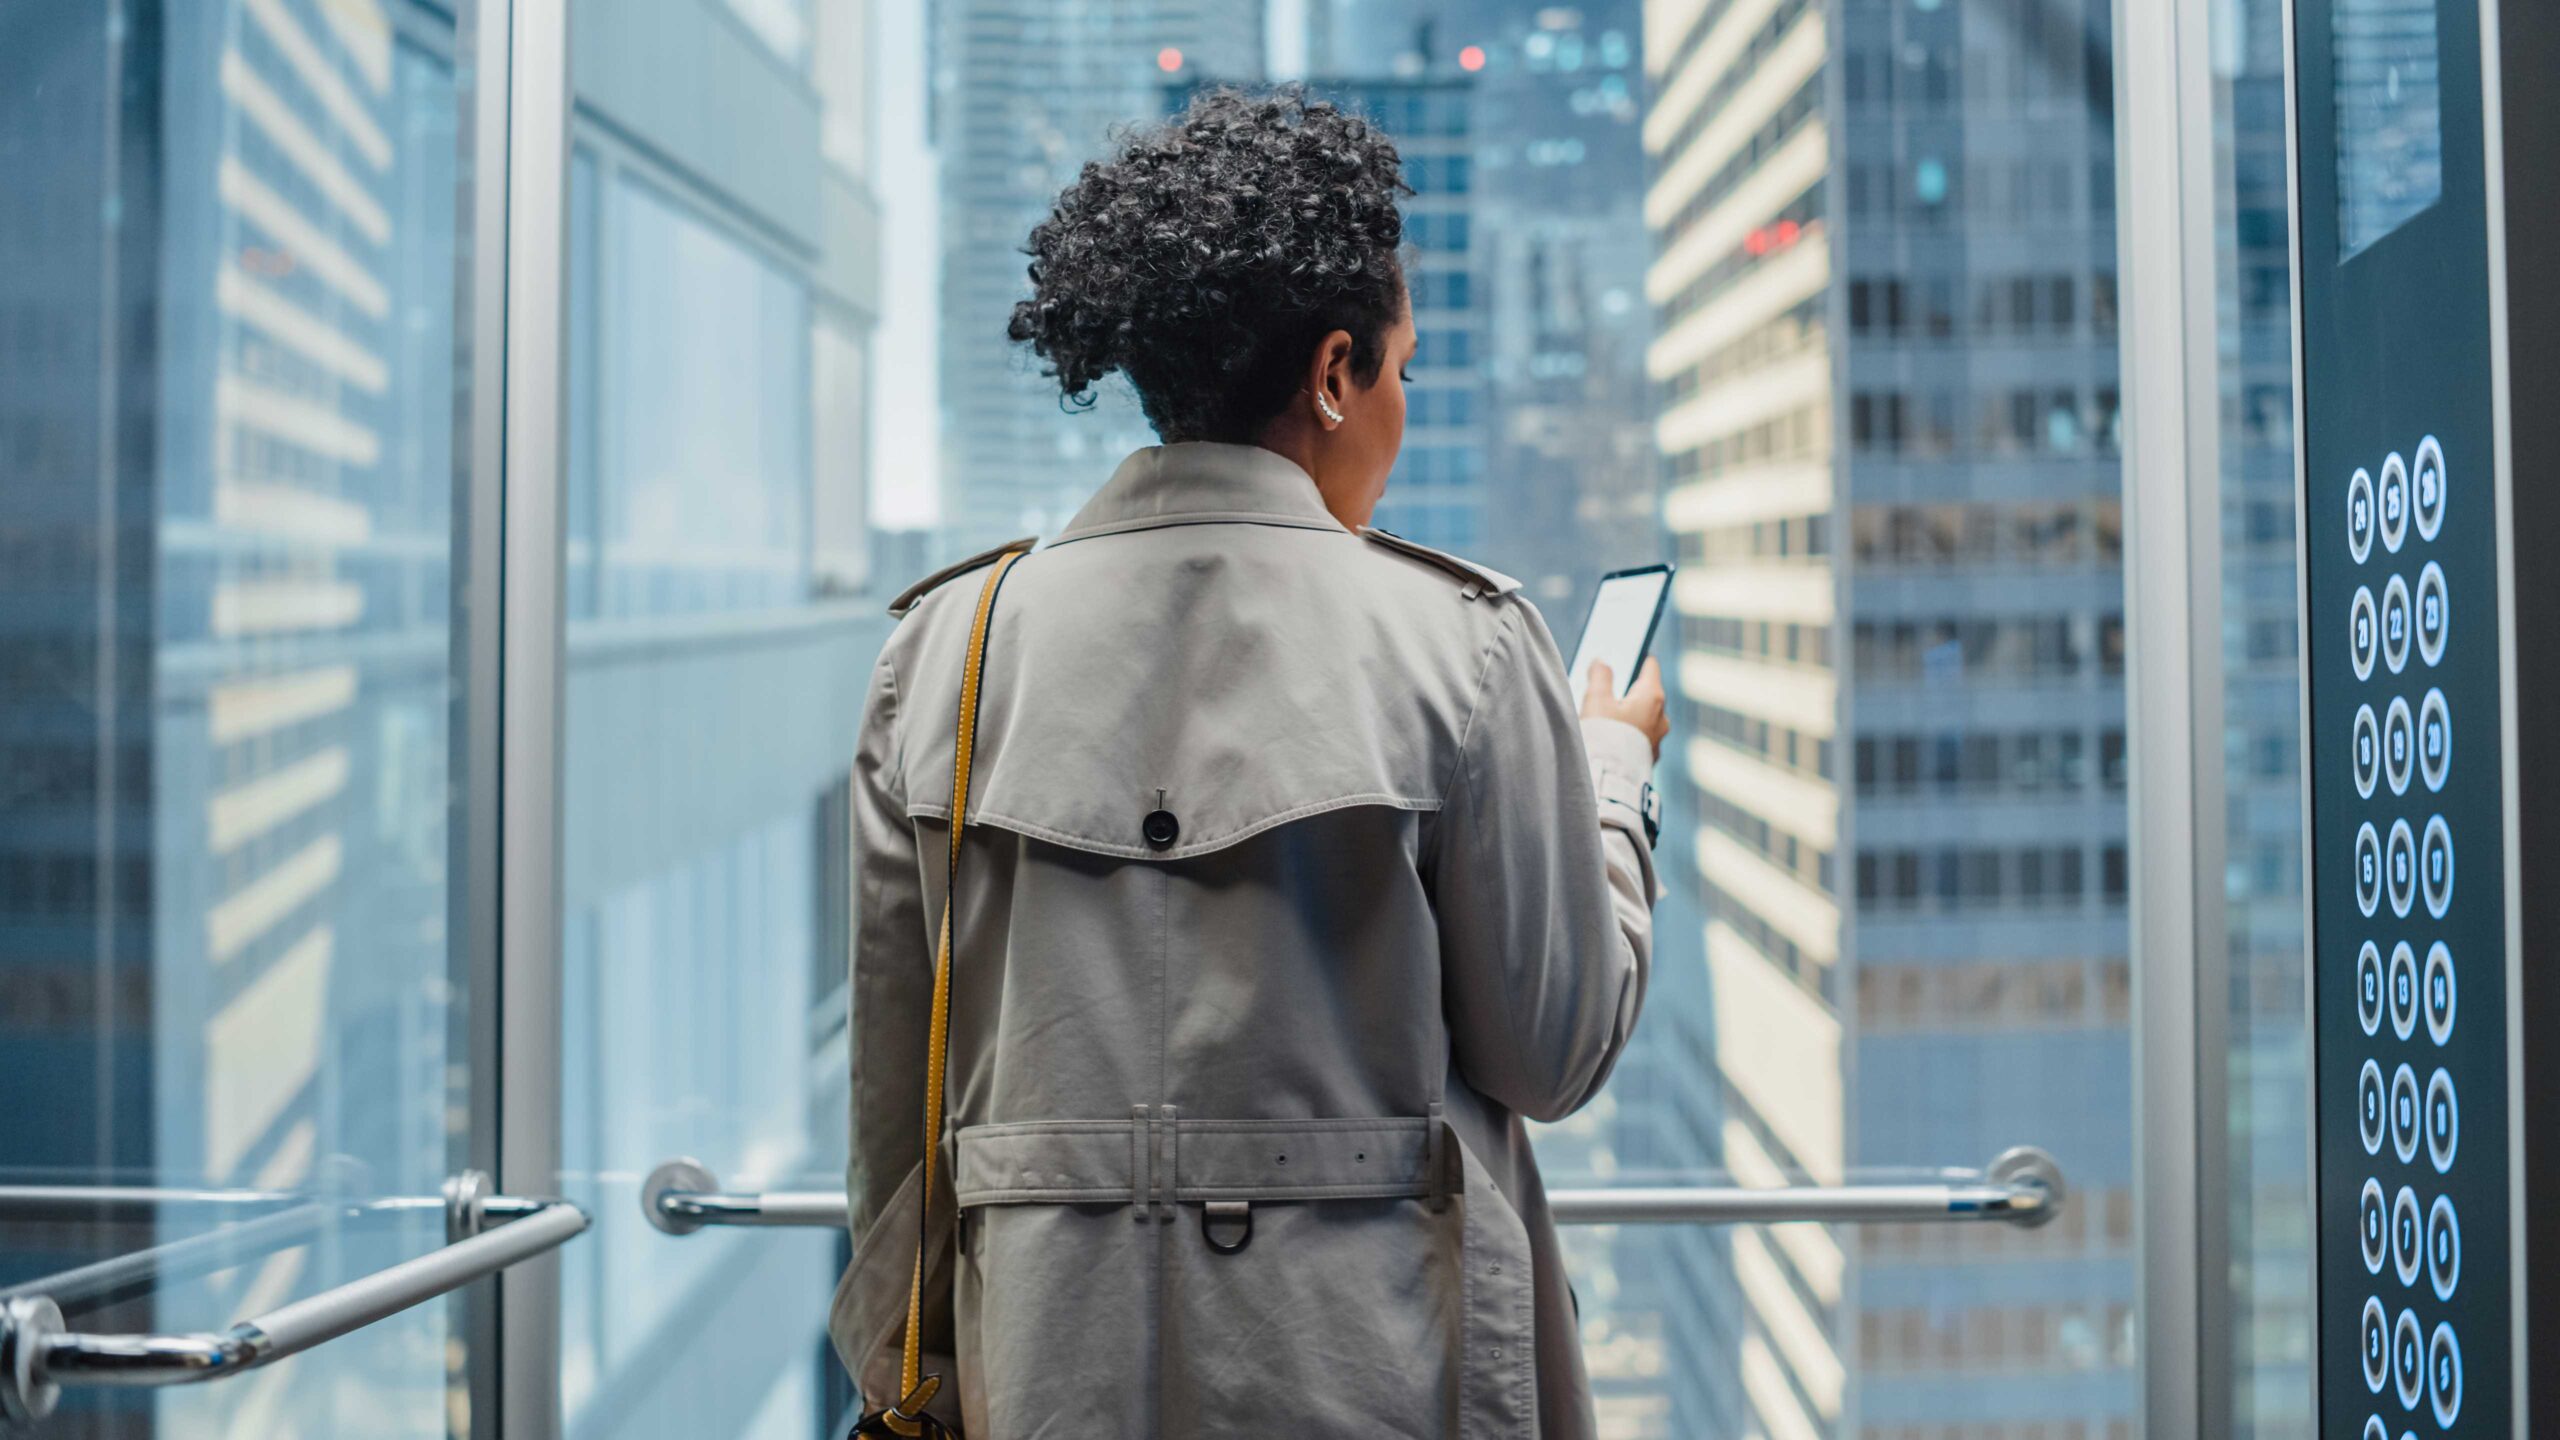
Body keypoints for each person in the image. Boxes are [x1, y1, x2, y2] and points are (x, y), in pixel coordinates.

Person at [831, 85, 1665, 1439]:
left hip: (1042, 1379)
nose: (1403, 402)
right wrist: (1613, 777)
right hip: (1379, 1378)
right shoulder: (1463, 644)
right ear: (1335, 373)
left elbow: (893, 1116)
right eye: (1401, 368)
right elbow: (1555, 1049)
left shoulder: (945, 652)